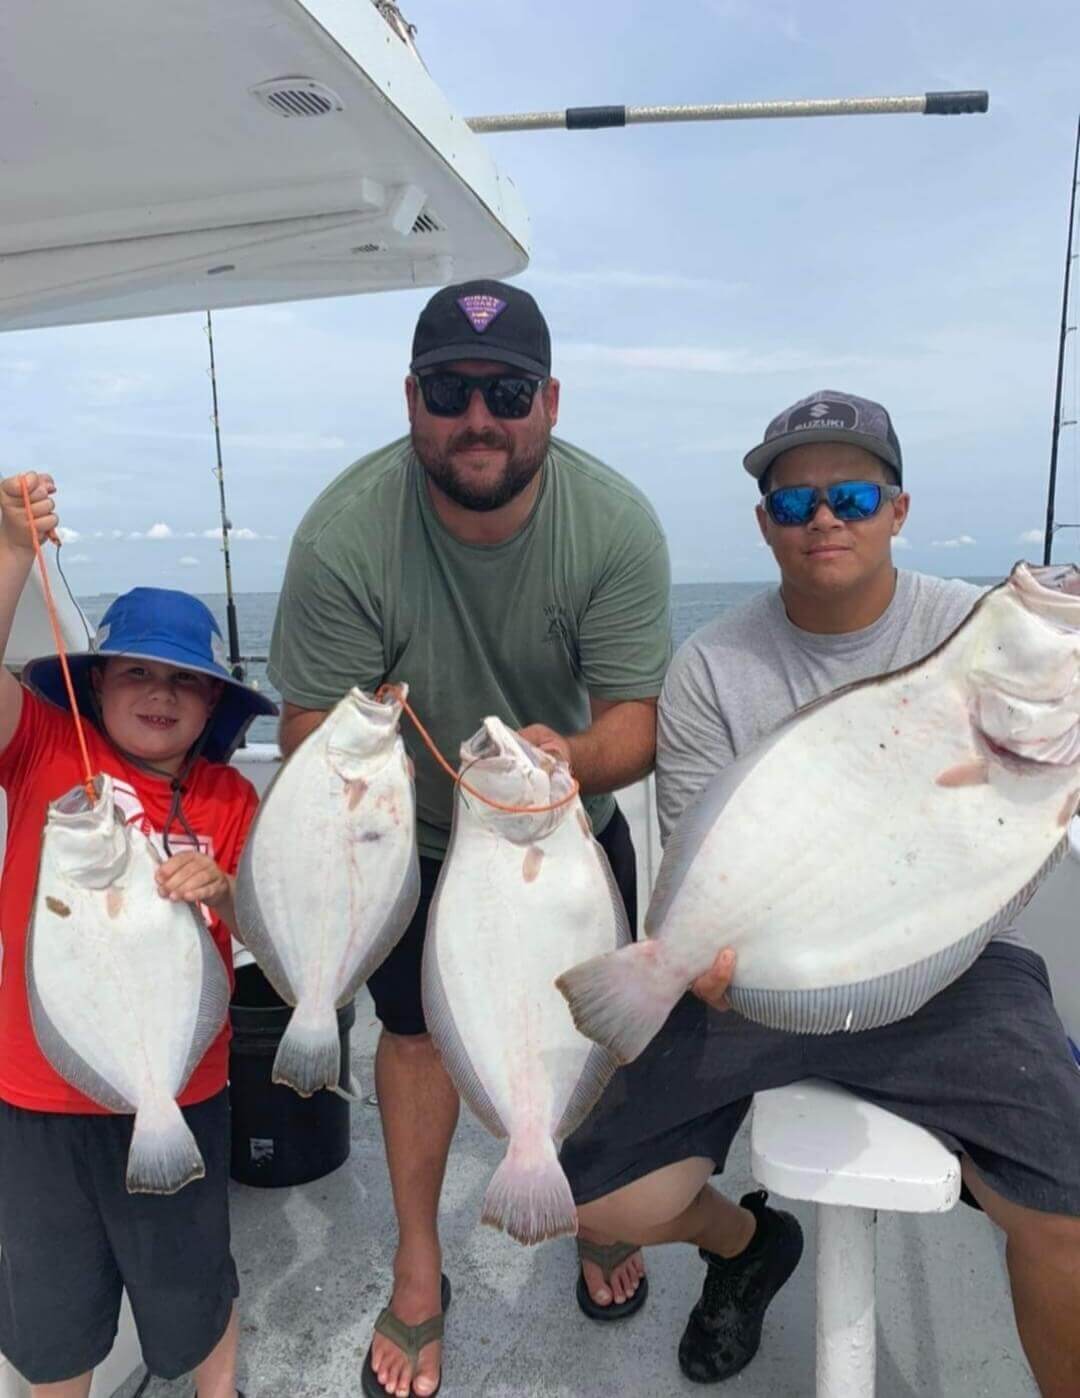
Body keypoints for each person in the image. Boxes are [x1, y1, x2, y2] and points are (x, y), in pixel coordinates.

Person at [562, 391, 1080, 1394]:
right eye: (795, 504)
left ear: (897, 508)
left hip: (955, 967)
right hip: (761, 963)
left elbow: (998, 848)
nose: (824, 519)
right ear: (765, 525)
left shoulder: (975, 629)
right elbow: (700, 848)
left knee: (1069, 1209)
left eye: (849, 494)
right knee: (598, 1203)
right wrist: (697, 961)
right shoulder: (712, 664)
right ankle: (746, 1243)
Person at [267, 278, 671, 1396]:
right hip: (419, 835)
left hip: (563, 827)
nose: (478, 416)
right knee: (413, 1036)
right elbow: (304, 726)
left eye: (506, 390)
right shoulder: (346, 533)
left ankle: (596, 1208)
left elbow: (635, 722)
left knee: (608, 1034)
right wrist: (373, 764)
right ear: (411, 397)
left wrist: (564, 767)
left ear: (550, 401)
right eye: (451, 389)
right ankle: (418, 1265)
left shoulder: (615, 522)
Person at [0, 472, 277, 1398]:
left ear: (212, 706)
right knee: (49, 1310)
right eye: (136, 672)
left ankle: (218, 1391)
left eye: (184, 681)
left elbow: (267, 938)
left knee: (194, 1282)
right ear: (97, 683)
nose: (159, 694)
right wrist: (9, 556)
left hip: (181, 1088)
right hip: (37, 1098)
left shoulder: (230, 798)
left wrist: (228, 891)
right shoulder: (45, 743)